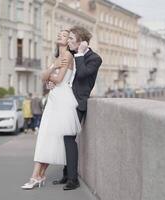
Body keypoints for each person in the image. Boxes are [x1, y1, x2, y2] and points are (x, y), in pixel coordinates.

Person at [21, 29, 82, 190]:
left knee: (49, 137)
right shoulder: (56, 58)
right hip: (54, 98)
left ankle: (36, 176)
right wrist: (52, 70)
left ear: (68, 40)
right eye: (59, 34)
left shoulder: (68, 56)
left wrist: (49, 75)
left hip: (62, 99)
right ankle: (38, 175)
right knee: (46, 137)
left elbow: (58, 78)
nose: (60, 36)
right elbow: (43, 77)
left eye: (64, 35)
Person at [52, 26, 102, 190]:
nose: (69, 41)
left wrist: (80, 53)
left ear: (81, 42)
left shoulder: (94, 58)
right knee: (63, 138)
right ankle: (67, 174)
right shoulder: (72, 56)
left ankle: (73, 180)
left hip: (78, 104)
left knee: (68, 138)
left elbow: (81, 75)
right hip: (65, 101)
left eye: (72, 39)